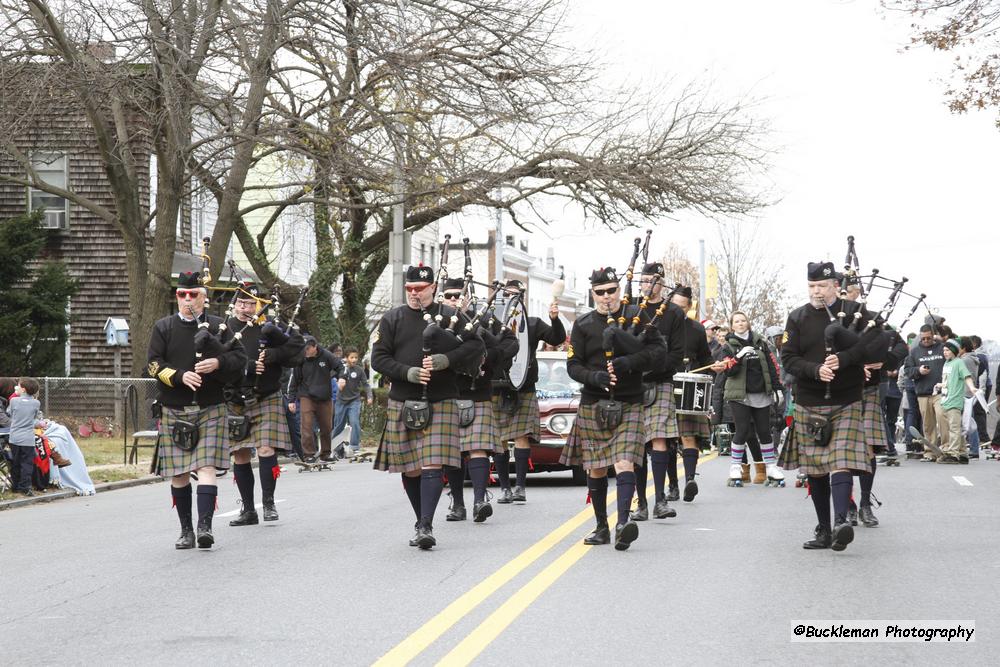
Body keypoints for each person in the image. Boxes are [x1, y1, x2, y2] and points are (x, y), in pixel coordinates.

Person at [371, 264, 485, 549]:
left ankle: (426, 525)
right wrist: (406, 372)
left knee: (432, 462)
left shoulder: (451, 317)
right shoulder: (392, 319)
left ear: (433, 287)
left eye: (419, 289)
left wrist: (446, 361)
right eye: (409, 289)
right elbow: (378, 359)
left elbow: (475, 347)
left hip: (442, 397)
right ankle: (420, 518)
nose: (413, 294)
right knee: (410, 469)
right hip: (403, 398)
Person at [779, 261, 884, 552]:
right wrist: (815, 370)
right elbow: (788, 358)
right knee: (815, 468)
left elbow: (878, 344)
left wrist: (846, 359)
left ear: (836, 286)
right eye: (812, 286)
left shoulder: (856, 314)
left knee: (841, 460)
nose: (817, 291)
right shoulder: (797, 317)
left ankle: (840, 523)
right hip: (809, 400)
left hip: (847, 397)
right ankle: (824, 529)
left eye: (822, 286)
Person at [561, 266, 666, 550]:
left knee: (623, 462)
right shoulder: (582, 325)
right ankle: (601, 527)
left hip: (630, 400)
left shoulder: (637, 315)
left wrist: (629, 363)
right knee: (595, 468)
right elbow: (573, 365)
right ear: (593, 293)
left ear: (619, 290)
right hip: (594, 401)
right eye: (600, 292)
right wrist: (594, 376)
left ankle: (622, 523)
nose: (606, 296)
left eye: (611, 290)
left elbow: (657, 351)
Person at [147, 271, 247, 549]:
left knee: (206, 467)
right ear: (177, 297)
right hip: (174, 406)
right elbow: (153, 364)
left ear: (204, 298)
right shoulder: (163, 327)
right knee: (179, 473)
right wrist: (180, 376)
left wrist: (217, 364)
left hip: (210, 405)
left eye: (193, 294)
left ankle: (205, 527)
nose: (187, 299)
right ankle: (186, 530)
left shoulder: (219, 327)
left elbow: (240, 360)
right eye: (182, 294)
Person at [225, 283, 305, 526]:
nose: (246, 308)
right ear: (235, 304)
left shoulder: (271, 326)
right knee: (239, 455)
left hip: (266, 394)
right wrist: (247, 365)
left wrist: (274, 355)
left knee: (266, 450)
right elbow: (217, 359)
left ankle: (268, 502)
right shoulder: (225, 328)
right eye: (242, 303)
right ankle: (248, 509)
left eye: (251, 304)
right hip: (235, 398)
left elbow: (297, 352)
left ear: (259, 305)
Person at [441, 279, 519, 523]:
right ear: (442, 297)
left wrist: (488, 360)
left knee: (477, 449)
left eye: (459, 295)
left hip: (478, 392)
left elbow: (511, 342)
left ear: (466, 297)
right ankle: (458, 504)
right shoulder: (436, 321)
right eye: (449, 296)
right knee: (452, 452)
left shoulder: (484, 320)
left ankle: (479, 501)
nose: (454, 300)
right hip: (446, 394)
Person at [491, 279, 566, 504]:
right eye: (507, 294)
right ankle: (504, 488)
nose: (511, 299)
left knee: (522, 437)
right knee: (499, 440)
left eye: (516, 295)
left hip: (524, 387)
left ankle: (520, 487)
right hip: (496, 387)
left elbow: (557, 338)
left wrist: (555, 320)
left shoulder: (532, 324)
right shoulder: (491, 324)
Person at [630, 262, 685, 521]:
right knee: (637, 443)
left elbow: (677, 353)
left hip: (660, 382)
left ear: (661, 283)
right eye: (643, 280)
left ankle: (660, 500)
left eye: (652, 280)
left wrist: (652, 372)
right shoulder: (631, 310)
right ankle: (641, 502)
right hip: (632, 384)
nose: (647, 284)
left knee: (659, 440)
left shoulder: (673, 313)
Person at [720, 311, 783, 488]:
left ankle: (770, 466)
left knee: (764, 431)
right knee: (742, 430)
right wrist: (738, 356)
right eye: (736, 321)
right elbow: (728, 370)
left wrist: (777, 388)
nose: (740, 323)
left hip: (761, 392)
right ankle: (735, 466)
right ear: (732, 326)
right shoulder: (728, 346)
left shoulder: (761, 343)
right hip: (739, 395)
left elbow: (772, 366)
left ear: (748, 323)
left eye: (743, 320)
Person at [668, 285, 719, 498]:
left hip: (689, 386)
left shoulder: (697, 329)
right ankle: (672, 486)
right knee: (667, 439)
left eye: (683, 307)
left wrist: (712, 368)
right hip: (665, 384)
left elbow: (706, 359)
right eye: (675, 306)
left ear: (689, 307)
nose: (679, 311)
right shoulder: (660, 325)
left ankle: (689, 480)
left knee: (689, 436)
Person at [287, 336, 343, 463]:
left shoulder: (326, 355)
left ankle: (325, 453)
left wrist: (341, 378)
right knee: (306, 426)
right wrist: (291, 400)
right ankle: (309, 454)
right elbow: (294, 380)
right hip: (306, 396)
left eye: (307, 349)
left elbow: (340, 366)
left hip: (324, 396)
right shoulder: (301, 359)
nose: (305, 352)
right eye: (303, 349)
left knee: (326, 427)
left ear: (315, 347)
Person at [905, 325, 946, 461]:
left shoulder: (941, 348)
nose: (926, 340)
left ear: (933, 335)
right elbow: (908, 371)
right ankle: (930, 451)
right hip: (923, 392)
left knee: (942, 417)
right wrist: (918, 370)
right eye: (923, 338)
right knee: (928, 424)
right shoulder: (914, 351)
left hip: (940, 392)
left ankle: (946, 449)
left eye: (929, 338)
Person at [936, 338, 979, 464]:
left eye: (948, 350)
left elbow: (966, 376)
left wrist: (971, 388)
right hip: (945, 399)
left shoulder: (959, 362)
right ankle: (962, 453)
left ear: (954, 351)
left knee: (954, 428)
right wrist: (940, 385)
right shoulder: (946, 364)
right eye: (944, 350)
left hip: (955, 401)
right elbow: (947, 381)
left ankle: (953, 454)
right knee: (955, 427)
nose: (945, 352)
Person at [333, 347, 374, 458]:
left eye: (356, 357)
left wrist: (369, 396)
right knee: (338, 426)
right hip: (341, 401)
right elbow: (330, 376)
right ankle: (334, 447)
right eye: (352, 357)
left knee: (355, 422)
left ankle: (355, 447)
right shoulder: (340, 369)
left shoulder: (359, 370)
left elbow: (365, 384)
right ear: (346, 358)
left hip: (354, 401)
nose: (354, 359)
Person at [6, 378, 42, 496]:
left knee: (15, 462)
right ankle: (25, 487)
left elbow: (9, 412)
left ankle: (15, 486)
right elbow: (34, 418)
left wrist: (15, 394)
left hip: (15, 437)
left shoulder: (14, 401)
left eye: (19, 386)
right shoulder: (36, 403)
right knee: (27, 463)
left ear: (23, 389)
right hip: (28, 439)